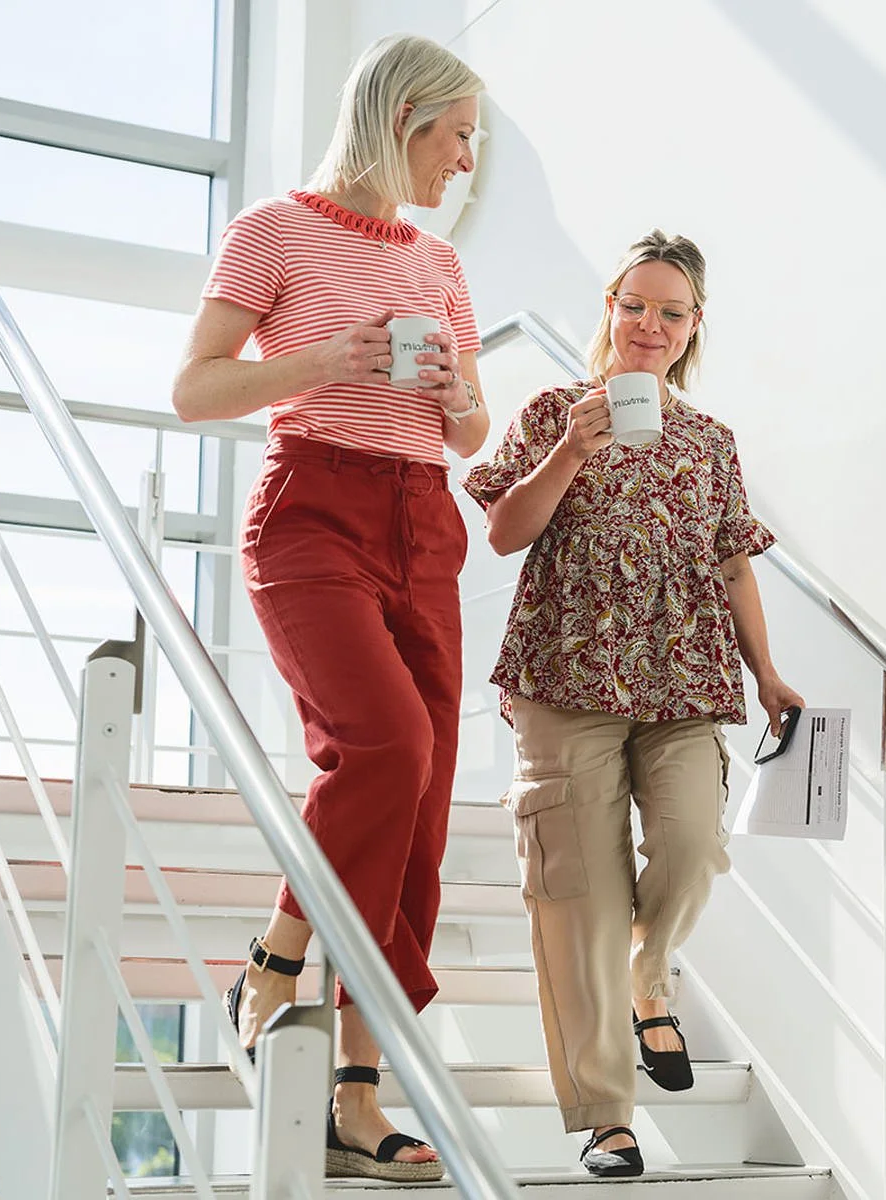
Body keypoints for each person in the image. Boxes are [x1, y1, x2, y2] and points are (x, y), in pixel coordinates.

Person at [171, 34, 488, 1185]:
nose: (464, 160)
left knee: (419, 793)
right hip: (312, 510)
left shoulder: (439, 263)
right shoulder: (271, 230)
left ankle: (356, 1087)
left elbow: (473, 432)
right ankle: (279, 952)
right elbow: (196, 387)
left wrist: (457, 396)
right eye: (456, 135)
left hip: (423, 517)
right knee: (385, 747)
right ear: (403, 118)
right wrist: (322, 360)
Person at [464, 230, 804, 1178]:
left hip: (684, 678)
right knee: (580, 900)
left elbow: (733, 562)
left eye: (672, 312)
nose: (650, 325)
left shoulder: (710, 443)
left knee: (695, 844)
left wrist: (767, 672)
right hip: (565, 676)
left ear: (693, 330)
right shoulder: (549, 414)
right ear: (610, 308)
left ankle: (650, 974)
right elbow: (503, 533)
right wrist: (573, 448)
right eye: (636, 305)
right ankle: (606, 1116)